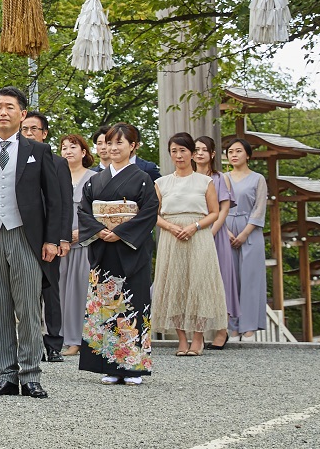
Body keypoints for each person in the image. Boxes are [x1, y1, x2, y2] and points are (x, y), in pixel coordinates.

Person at [0, 87, 71, 398]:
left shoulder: (39, 151)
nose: (3, 112)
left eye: (10, 107)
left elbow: (55, 200)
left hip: (26, 236)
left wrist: (52, 239)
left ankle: (31, 374)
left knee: (28, 307)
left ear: (22, 114)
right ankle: (6, 375)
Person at [77, 123, 160, 385]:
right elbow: (84, 211)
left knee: (133, 304)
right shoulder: (95, 180)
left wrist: (121, 232)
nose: (112, 149)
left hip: (130, 250)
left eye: (119, 144)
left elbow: (149, 211)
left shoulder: (143, 179)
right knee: (105, 305)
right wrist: (100, 230)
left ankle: (133, 366)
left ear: (133, 146)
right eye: (108, 143)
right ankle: (110, 365)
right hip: (104, 248)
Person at [151, 132, 228, 358]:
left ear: (192, 154)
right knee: (175, 284)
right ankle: (181, 339)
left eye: (183, 150)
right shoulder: (161, 182)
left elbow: (214, 212)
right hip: (171, 236)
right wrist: (170, 227)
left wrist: (195, 226)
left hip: (198, 236)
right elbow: (153, 214)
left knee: (199, 284)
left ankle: (198, 337)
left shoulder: (206, 181)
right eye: (174, 151)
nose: (178, 155)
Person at [20, 111, 72, 362]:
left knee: (50, 291)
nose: (29, 134)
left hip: (50, 236)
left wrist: (61, 237)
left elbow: (61, 203)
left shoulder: (58, 162)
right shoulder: (15, 158)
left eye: (34, 129)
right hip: (23, 235)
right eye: (25, 129)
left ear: (45, 133)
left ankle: (53, 343)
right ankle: (31, 343)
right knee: (25, 292)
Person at [221, 136, 271, 339]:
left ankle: (249, 323)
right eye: (230, 152)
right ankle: (232, 324)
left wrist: (244, 234)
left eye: (238, 151)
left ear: (248, 155)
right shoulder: (223, 178)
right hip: (227, 228)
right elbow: (218, 207)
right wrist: (226, 230)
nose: (234, 155)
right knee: (230, 278)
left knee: (250, 277)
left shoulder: (258, 179)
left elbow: (259, 209)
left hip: (251, 230)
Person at [195, 136, 236, 348]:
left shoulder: (221, 178)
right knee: (196, 282)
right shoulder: (188, 177)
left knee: (219, 281)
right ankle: (198, 333)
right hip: (192, 233)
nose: (199, 153)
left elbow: (224, 209)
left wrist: (210, 232)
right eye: (196, 149)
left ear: (212, 154)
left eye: (204, 149)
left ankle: (222, 330)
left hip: (214, 235)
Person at [58, 132, 96, 353]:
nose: (68, 151)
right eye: (64, 147)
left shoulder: (94, 178)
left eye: (73, 147)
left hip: (85, 241)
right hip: (60, 243)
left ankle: (79, 339)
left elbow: (98, 213)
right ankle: (61, 337)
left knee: (81, 290)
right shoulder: (56, 176)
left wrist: (81, 231)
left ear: (83, 152)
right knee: (60, 290)